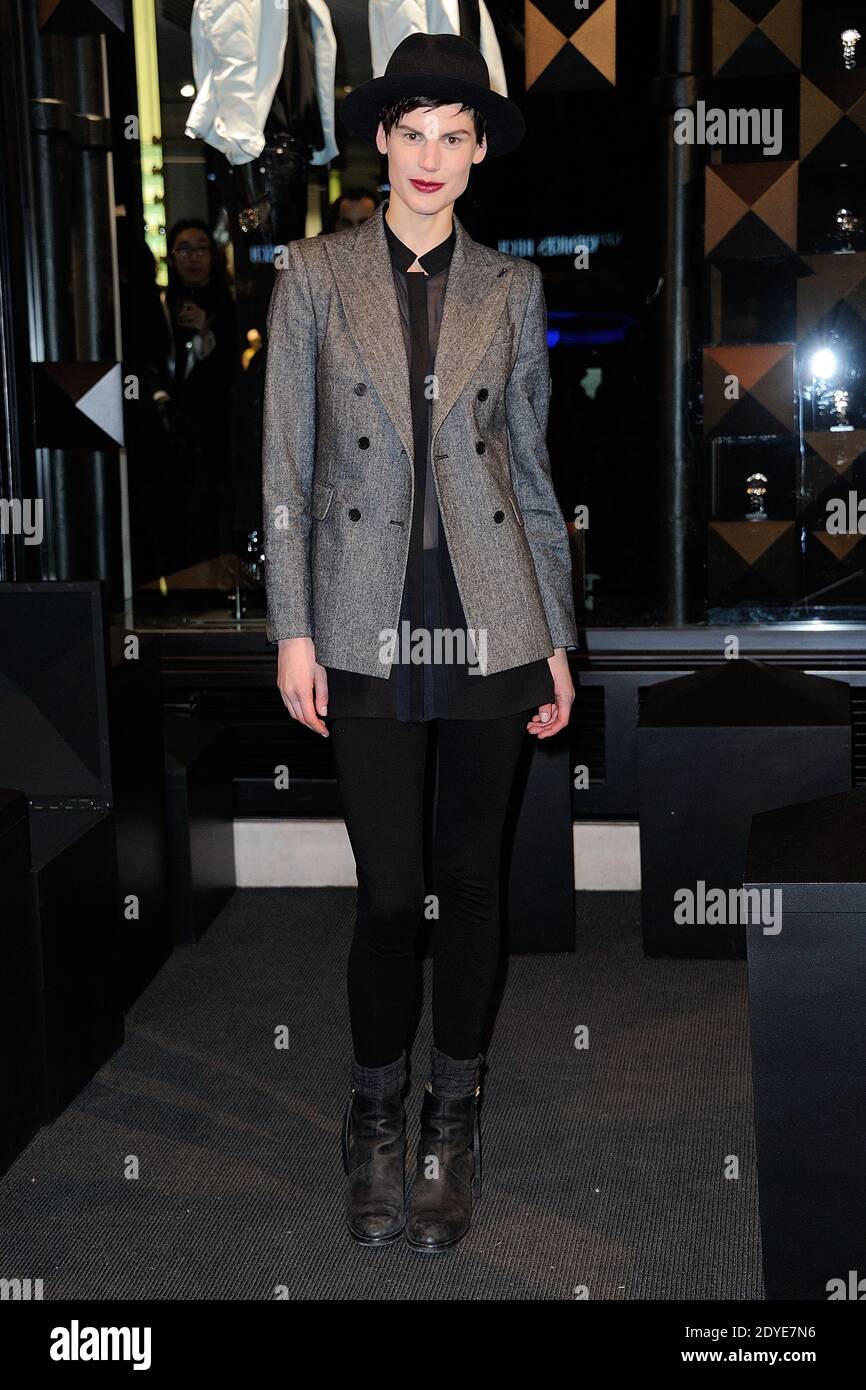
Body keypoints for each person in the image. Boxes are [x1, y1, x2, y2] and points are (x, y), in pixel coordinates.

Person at [261, 34, 578, 1252]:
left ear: (476, 150)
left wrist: (552, 640)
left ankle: (453, 1118)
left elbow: (531, 477)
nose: (432, 157)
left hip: (490, 616)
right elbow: (284, 471)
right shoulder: (313, 276)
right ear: (381, 141)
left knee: (477, 883)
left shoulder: (511, 288)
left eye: (456, 136)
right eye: (412, 133)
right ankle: (373, 1110)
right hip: (357, 620)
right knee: (391, 893)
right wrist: (294, 628)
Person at [159, 220, 239, 570]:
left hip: (218, 424)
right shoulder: (160, 304)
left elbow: (233, 369)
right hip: (171, 425)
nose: (193, 258)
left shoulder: (230, 302)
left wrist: (208, 331)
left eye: (201, 248)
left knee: (214, 505)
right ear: (172, 257)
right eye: (184, 249)